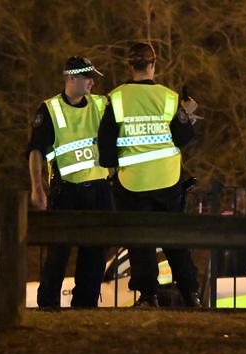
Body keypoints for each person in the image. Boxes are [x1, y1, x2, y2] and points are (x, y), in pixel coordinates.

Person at [97, 42, 201, 307]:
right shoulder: (168, 97)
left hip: (133, 182)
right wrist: (185, 116)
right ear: (153, 65)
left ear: (130, 66)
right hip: (168, 181)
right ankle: (191, 293)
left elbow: (106, 144)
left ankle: (148, 295)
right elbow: (184, 137)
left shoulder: (117, 97)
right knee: (175, 238)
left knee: (140, 241)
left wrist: (113, 170)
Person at [26, 57, 112, 308]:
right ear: (71, 79)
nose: (92, 83)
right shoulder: (50, 109)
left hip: (98, 189)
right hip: (67, 191)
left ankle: (85, 305)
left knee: (95, 252)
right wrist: (37, 188)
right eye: (87, 78)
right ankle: (48, 304)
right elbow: (35, 151)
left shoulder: (99, 104)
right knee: (58, 253)